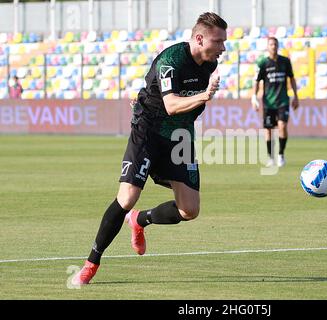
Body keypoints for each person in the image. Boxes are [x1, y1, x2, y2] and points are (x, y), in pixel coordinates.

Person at [72, 12, 227, 285]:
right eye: (218, 41)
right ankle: (91, 263)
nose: (223, 48)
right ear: (200, 39)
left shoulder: (208, 65)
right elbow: (171, 105)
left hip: (179, 137)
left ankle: (140, 220)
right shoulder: (172, 61)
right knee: (127, 197)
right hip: (149, 132)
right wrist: (206, 95)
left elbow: (185, 109)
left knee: (189, 210)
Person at [251, 37, 298, 167]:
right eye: (271, 44)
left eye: (275, 44)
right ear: (268, 47)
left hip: (283, 101)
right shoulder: (263, 63)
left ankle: (281, 154)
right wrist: (254, 97)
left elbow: (292, 79)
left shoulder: (285, 61)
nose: (273, 46)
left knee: (282, 126)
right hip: (268, 103)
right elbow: (256, 81)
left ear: (278, 46)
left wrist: (296, 96)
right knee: (269, 130)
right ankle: (270, 157)